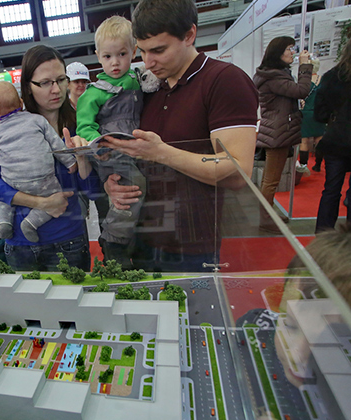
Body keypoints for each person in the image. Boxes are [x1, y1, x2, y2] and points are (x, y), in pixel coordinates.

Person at [100, 0, 258, 271]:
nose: (148, 62)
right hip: (141, 238)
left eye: (159, 50)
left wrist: (161, 153)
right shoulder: (147, 87)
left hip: (192, 244)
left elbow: (237, 171)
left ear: (189, 35)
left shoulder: (225, 80)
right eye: (143, 51)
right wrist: (114, 186)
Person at [0, 45, 100, 271]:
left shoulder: (81, 126)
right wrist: (42, 204)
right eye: (45, 83)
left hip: (69, 240)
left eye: (61, 80)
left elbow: (92, 191)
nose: (56, 89)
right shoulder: (9, 126)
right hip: (19, 243)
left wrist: (82, 158)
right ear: (28, 86)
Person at [76, 15, 152, 252]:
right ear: (98, 56)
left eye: (122, 54)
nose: (115, 62)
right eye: (108, 56)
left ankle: (127, 244)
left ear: (134, 51)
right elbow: (84, 127)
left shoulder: (137, 81)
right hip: (111, 153)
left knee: (138, 192)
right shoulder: (93, 93)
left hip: (137, 150)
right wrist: (99, 145)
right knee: (133, 187)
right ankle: (113, 239)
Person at [0, 81, 77, 242]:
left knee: (5, 197)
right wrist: (70, 162)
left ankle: (5, 222)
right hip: (43, 180)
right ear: (21, 103)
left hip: (13, 181)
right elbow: (56, 144)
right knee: (57, 196)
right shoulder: (37, 120)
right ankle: (31, 222)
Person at [253, 37, 312, 232]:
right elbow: (302, 90)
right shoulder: (274, 77)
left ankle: (268, 215)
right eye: (289, 48)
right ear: (278, 52)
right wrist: (305, 67)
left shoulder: (273, 75)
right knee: (271, 181)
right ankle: (265, 219)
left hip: (277, 130)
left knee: (270, 180)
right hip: (278, 132)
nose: (293, 52)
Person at [313, 41, 351, 233]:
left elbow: (319, 113)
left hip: (336, 140)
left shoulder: (331, 77)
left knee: (331, 191)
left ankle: (323, 235)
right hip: (339, 140)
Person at [298, 57, 326, 174]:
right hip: (319, 113)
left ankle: (303, 166)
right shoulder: (323, 79)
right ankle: (318, 164)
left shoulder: (304, 81)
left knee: (304, 141)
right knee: (319, 139)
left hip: (306, 113)